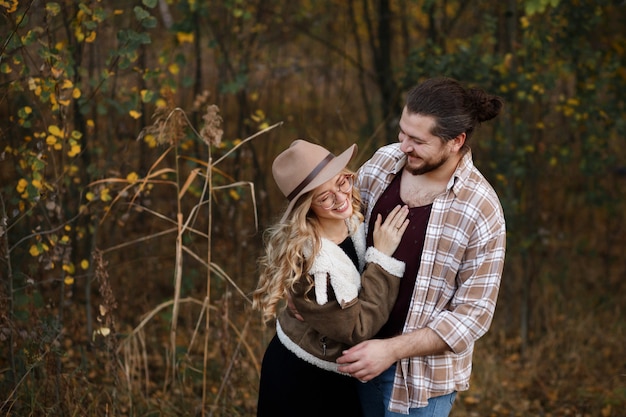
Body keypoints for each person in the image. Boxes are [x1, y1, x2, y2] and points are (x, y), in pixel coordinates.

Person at [335, 77, 507, 416]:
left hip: (419, 383)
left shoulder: (481, 210)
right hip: (351, 352)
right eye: (402, 133)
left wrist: (391, 350)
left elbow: (473, 316)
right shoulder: (384, 163)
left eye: (417, 140)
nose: (403, 146)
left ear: (456, 141)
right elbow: (339, 231)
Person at [252, 139, 410, 417]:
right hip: (304, 380)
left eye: (342, 182)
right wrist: (382, 258)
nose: (340, 198)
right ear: (306, 207)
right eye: (324, 197)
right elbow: (358, 328)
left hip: (336, 375)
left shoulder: (354, 220)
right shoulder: (312, 263)